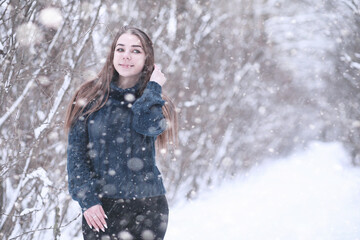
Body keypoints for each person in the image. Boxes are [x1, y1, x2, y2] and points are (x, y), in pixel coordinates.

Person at [65, 26, 178, 240]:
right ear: (112, 54)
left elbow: (148, 125)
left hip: (148, 207)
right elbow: (76, 157)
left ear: (147, 59)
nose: (126, 56)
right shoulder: (89, 96)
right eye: (120, 49)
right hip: (101, 209)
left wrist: (153, 88)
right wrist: (88, 201)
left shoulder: (155, 100)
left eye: (136, 51)